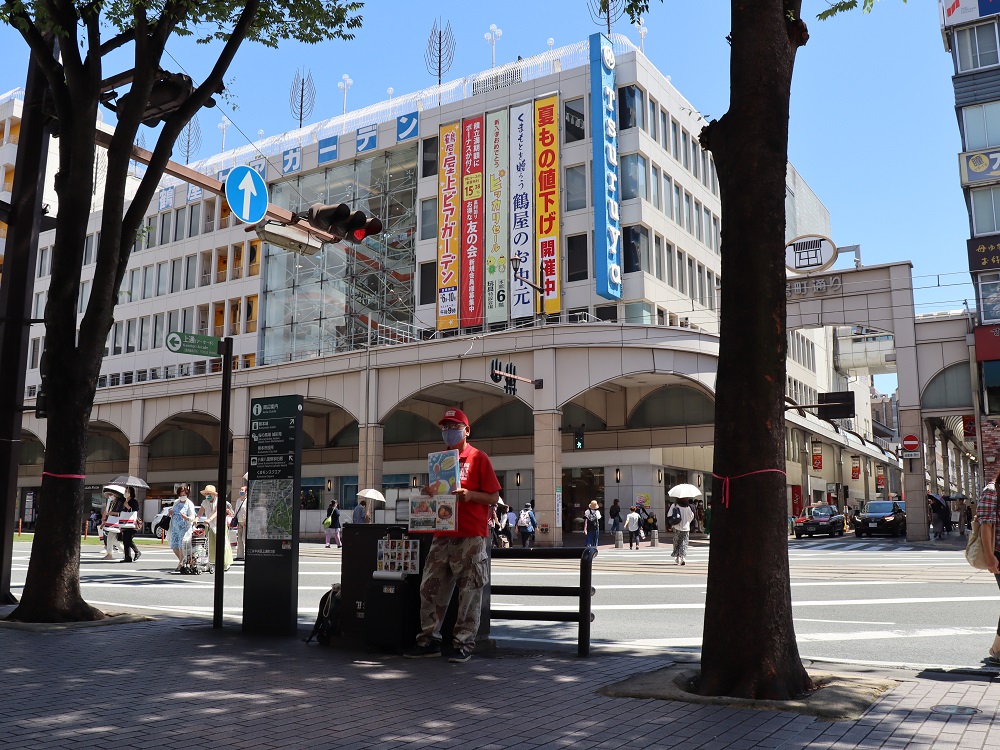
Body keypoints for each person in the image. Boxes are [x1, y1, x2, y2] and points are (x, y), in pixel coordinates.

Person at [405, 407, 501, 664]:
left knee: (469, 590)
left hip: (470, 534)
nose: (449, 431)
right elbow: (439, 495)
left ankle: (463, 643)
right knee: (429, 587)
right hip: (442, 532)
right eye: (445, 427)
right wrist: (428, 493)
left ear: (466, 430)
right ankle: (428, 640)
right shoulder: (440, 460)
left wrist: (471, 496)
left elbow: (493, 497)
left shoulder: (478, 458)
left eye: (454, 426)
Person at [976, 469, 1000, 665]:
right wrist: (990, 557)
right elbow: (986, 525)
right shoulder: (992, 491)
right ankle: (997, 650)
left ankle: (997, 648)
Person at [199, 485, 234, 572]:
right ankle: (211, 562)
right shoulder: (205, 502)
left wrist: (209, 519)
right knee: (210, 545)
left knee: (223, 544)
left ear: (214, 494)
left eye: (209, 493)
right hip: (210, 525)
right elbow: (200, 512)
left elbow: (218, 512)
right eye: (206, 494)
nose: (208, 495)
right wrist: (196, 519)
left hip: (220, 525)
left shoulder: (219, 501)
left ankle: (226, 563)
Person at [168, 486, 197, 572]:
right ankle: (182, 560)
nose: (182, 496)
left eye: (184, 494)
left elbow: (192, 516)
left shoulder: (189, 504)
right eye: (181, 495)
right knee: (174, 545)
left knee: (181, 546)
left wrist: (186, 517)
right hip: (175, 528)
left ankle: (181, 563)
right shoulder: (176, 502)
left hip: (184, 528)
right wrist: (171, 512)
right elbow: (172, 511)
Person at [668, 497, 696, 565]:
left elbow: (669, 515)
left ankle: (677, 557)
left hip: (676, 526)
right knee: (684, 542)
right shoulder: (688, 507)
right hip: (686, 528)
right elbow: (692, 516)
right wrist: (687, 522)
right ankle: (683, 557)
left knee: (676, 542)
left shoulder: (674, 505)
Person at [99, 486, 124, 560]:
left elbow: (122, 513)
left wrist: (112, 513)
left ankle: (110, 554)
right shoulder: (112, 503)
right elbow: (108, 513)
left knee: (111, 538)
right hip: (112, 522)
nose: (110, 496)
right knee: (112, 539)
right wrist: (105, 521)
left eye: (111, 494)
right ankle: (122, 551)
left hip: (117, 522)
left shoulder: (120, 502)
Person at [119, 486, 142, 563]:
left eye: (127, 491)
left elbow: (135, 511)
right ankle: (127, 557)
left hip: (132, 523)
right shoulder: (123, 501)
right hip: (124, 523)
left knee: (128, 539)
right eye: (125, 491)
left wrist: (127, 506)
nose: (126, 492)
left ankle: (137, 551)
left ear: (131, 492)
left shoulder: (134, 501)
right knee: (125, 540)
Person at [233, 485, 248, 560]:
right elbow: (236, 511)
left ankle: (247, 554)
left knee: (244, 539)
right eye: (240, 490)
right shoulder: (238, 500)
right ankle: (240, 555)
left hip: (245, 522)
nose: (241, 491)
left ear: (246, 492)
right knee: (239, 539)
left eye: (243, 490)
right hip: (239, 521)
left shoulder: (247, 500)